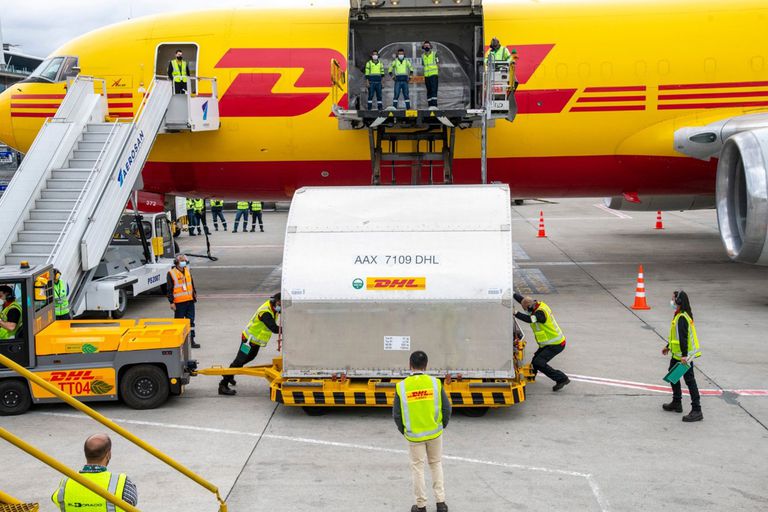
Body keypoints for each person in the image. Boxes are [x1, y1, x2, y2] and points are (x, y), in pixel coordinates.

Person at [393, 351, 450, 512]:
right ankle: (441, 503)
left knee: (417, 468)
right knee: (436, 464)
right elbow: (447, 408)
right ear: (426, 365)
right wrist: (441, 425)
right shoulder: (435, 383)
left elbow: (396, 414)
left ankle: (421, 506)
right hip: (434, 433)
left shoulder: (402, 386)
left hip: (414, 436)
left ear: (410, 365)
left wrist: (405, 430)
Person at [52, 433, 138, 511]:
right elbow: (132, 502)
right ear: (108, 455)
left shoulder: (66, 482)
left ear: (86, 453)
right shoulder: (121, 483)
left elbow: (55, 499)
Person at [218, 293, 281, 395]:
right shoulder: (265, 312)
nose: (281, 306)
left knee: (249, 358)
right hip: (248, 341)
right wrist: (288, 329)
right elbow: (274, 328)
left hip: (255, 342)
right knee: (239, 361)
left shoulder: (273, 308)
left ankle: (229, 374)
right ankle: (223, 385)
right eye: (280, 304)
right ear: (276, 301)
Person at [514, 293, 570, 391]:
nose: (526, 311)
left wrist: (515, 313)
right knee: (535, 360)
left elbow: (529, 319)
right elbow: (521, 299)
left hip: (556, 344)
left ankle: (562, 379)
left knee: (538, 362)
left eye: (526, 309)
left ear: (530, 306)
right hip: (547, 343)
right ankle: (530, 377)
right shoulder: (532, 304)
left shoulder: (540, 313)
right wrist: (511, 293)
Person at [662, 290, 703, 422]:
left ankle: (697, 410)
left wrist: (685, 356)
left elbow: (683, 338)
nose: (672, 302)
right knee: (672, 375)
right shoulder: (679, 315)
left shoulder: (682, 318)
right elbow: (677, 336)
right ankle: (677, 402)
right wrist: (668, 346)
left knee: (690, 381)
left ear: (679, 301)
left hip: (684, 356)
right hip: (677, 354)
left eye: (673, 299)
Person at [166, 255, 200, 348]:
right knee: (179, 323)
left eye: (185, 260)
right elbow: (169, 289)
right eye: (182, 260)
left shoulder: (187, 270)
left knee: (191, 322)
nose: (184, 262)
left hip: (190, 301)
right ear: (176, 262)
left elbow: (191, 284)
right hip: (179, 303)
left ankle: (191, 340)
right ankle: (178, 341)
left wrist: (194, 294)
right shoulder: (171, 273)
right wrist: (171, 302)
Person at [421, 41, 439, 109]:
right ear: (423, 47)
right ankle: (430, 105)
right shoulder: (422, 56)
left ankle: (434, 105)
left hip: (433, 75)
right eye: (425, 46)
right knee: (429, 91)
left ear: (430, 46)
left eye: (428, 45)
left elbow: (437, 63)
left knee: (434, 90)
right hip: (426, 76)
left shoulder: (434, 54)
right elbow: (423, 65)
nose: (426, 47)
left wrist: (437, 72)